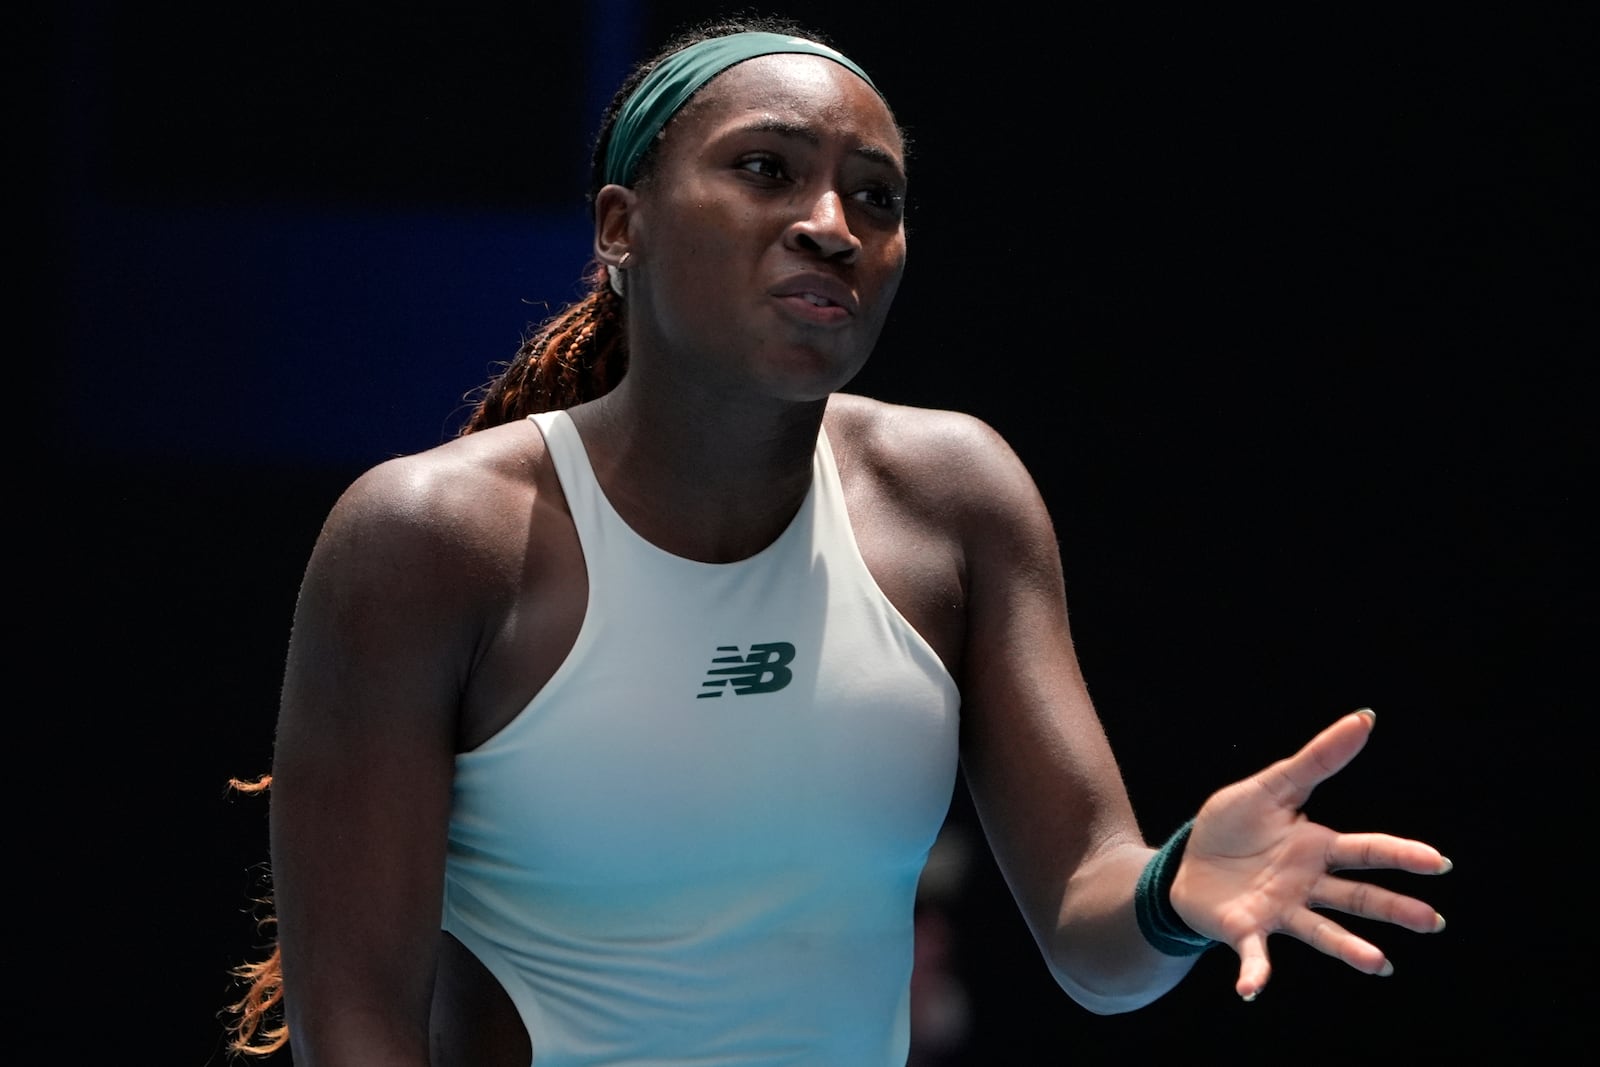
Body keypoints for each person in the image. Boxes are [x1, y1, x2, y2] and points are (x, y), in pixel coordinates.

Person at [222, 14, 1453, 1065]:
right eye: (765, 169)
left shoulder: (954, 493)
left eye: (876, 196)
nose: (831, 223)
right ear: (621, 227)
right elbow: (357, 1029)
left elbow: (1097, 939)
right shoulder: (427, 536)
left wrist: (1172, 890)